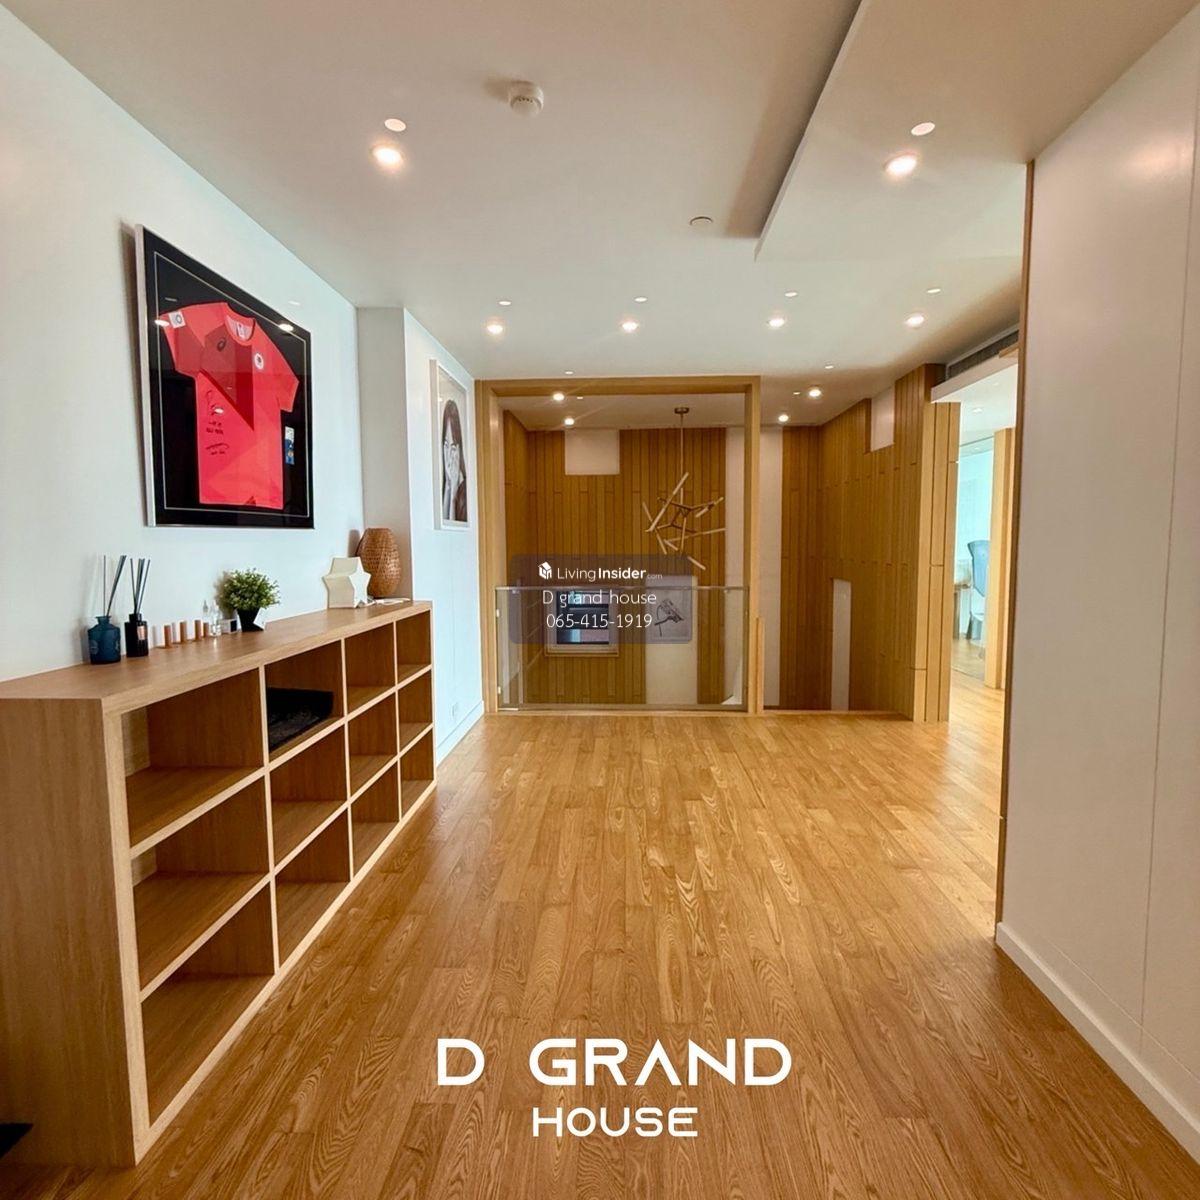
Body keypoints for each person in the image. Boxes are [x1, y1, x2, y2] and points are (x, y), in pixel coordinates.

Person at [441, 399, 467, 522]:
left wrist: (453, 496)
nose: (449, 455)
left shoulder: (465, 490)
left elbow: (453, 525)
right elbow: (444, 523)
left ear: (459, 449)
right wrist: (448, 486)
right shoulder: (445, 485)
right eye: (446, 445)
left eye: (453, 448)